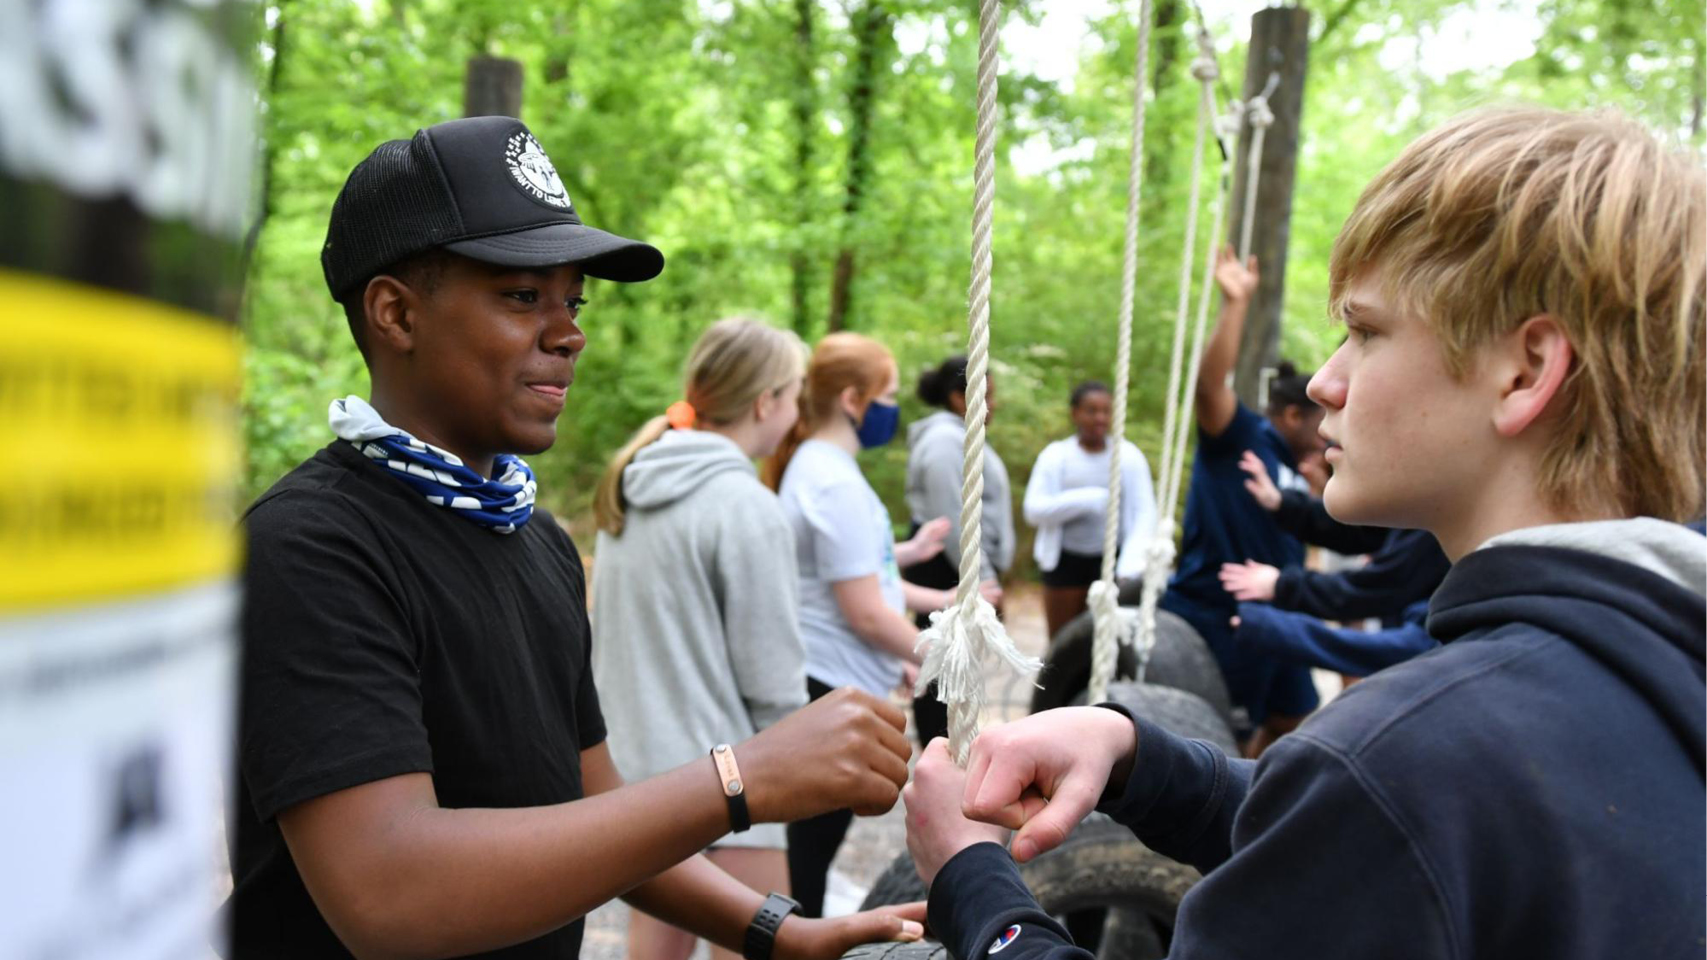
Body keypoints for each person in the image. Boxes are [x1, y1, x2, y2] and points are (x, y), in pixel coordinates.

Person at [902, 106, 1704, 960]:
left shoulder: (1406, 757)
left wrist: (973, 883)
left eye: (1365, 331)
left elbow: (1386, 808)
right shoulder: (1642, 682)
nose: (1325, 382)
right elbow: (1391, 847)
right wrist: (1144, 762)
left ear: (1525, 371)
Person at [228, 117, 926, 960]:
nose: (569, 334)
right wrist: (738, 780)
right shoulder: (310, 547)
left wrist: (778, 932)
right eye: (522, 297)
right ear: (395, 314)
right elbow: (388, 892)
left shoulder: (536, 540)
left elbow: (591, 806)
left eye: (573, 300)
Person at [590, 317, 812, 960]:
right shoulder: (746, 506)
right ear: (767, 401)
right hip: (734, 786)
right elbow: (771, 684)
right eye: (794, 395)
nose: (796, 413)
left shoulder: (629, 488)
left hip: (644, 785)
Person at [764, 332, 974, 918]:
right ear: (854, 399)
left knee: (809, 853)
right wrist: (943, 654)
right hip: (826, 686)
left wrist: (931, 612)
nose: (893, 408)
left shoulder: (822, 466)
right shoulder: (831, 479)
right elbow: (864, 612)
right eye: (886, 394)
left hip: (832, 679)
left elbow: (865, 580)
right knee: (804, 858)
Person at [1156, 246, 1328, 754]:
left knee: (1292, 714)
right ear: (1293, 415)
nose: (1329, 433)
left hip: (1275, 612)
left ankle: (1245, 803)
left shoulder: (1299, 469)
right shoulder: (1242, 437)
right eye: (1321, 421)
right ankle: (1223, 816)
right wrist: (1235, 304)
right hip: (1216, 614)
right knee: (1216, 736)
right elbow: (1210, 388)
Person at [903, 354, 1014, 746]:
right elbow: (953, 517)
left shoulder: (958, 437)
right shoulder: (944, 443)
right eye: (988, 395)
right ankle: (941, 749)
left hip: (958, 566)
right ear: (957, 397)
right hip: (949, 568)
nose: (993, 405)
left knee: (958, 670)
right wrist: (981, 580)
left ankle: (954, 744)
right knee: (941, 669)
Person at [1022, 381, 1156, 640]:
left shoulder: (1128, 456)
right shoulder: (1056, 456)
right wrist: (1088, 499)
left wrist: (1130, 565)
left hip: (1110, 563)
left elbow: (1144, 513)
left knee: (1105, 642)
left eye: (1106, 411)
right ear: (1075, 413)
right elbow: (1034, 510)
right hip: (1064, 563)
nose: (1100, 418)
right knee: (1062, 641)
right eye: (1091, 410)